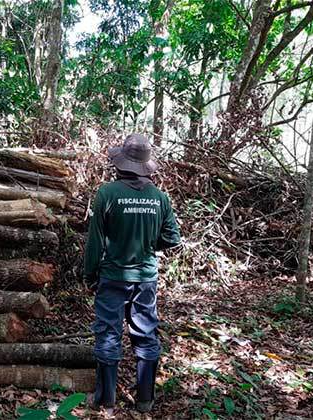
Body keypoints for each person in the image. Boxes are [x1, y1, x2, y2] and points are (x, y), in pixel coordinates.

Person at [84, 133, 181, 413]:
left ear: (121, 163)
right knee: (146, 334)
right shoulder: (160, 198)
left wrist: (89, 275)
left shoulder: (107, 193)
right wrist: (149, 243)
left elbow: (95, 241)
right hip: (146, 279)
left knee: (107, 333)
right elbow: (172, 239)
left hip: (112, 277)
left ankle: (106, 400)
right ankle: (145, 401)